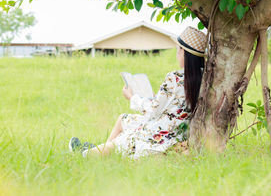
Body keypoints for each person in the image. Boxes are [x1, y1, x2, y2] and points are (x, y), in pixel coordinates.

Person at [69, 26, 207, 159]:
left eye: (178, 50)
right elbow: (173, 105)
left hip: (161, 132)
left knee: (124, 140)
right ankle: (102, 148)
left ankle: (87, 154)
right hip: (176, 132)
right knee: (123, 119)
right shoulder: (205, 79)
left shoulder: (175, 78)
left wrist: (132, 98)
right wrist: (155, 97)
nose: (177, 54)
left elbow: (153, 110)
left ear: (183, 52)